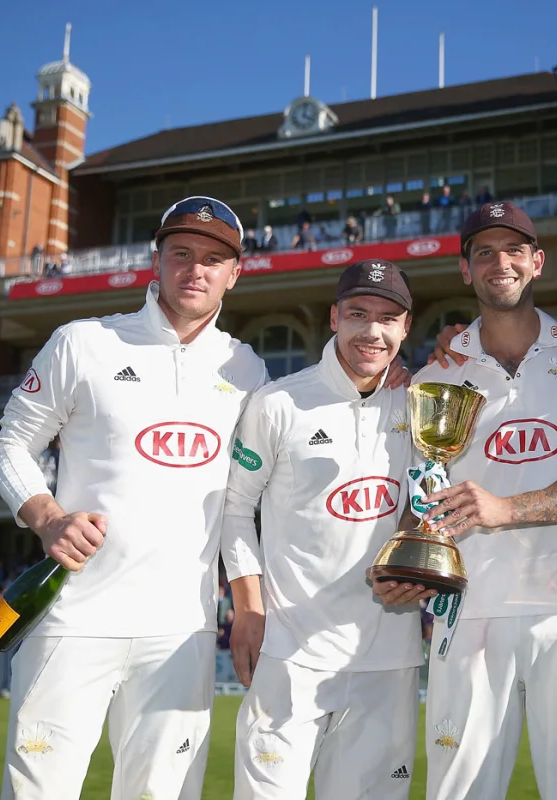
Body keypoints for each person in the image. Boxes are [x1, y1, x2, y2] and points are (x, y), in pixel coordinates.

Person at [0, 195, 269, 800]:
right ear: (157, 261)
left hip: (182, 629)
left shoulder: (248, 371)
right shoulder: (83, 342)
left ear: (235, 273)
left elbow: (248, 502)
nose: (196, 270)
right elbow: (9, 445)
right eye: (182, 254)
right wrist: (48, 516)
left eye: (214, 259)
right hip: (74, 616)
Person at [407, 202, 557, 800]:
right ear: (465, 270)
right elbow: (423, 489)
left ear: (537, 263)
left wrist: (505, 509)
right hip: (470, 612)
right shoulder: (438, 374)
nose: (499, 263)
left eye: (514, 250)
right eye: (483, 252)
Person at [222, 260, 424, 799]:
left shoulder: (423, 402)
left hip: (389, 657)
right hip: (290, 655)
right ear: (334, 317)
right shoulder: (278, 402)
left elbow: (430, 505)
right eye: (358, 314)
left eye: (388, 318)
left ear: (406, 329)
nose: (372, 332)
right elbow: (236, 508)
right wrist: (249, 607)